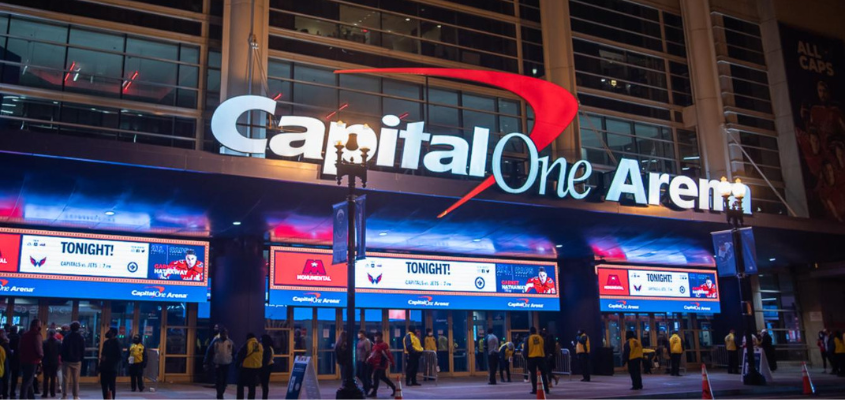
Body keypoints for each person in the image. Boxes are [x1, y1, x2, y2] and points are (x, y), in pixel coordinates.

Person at [204, 327, 234, 399]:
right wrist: (206, 362)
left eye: (225, 333)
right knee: (219, 379)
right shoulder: (215, 342)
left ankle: (221, 391)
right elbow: (209, 352)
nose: (224, 335)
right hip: (218, 363)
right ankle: (219, 394)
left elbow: (234, 352)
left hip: (227, 363)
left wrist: (235, 360)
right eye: (222, 333)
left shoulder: (230, 342)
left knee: (225, 380)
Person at [19, 319, 43, 399]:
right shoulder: (36, 335)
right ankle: (23, 397)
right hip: (33, 360)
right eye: (40, 324)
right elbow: (38, 348)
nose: (41, 325)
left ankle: (31, 397)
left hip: (23, 359)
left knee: (28, 379)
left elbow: (20, 347)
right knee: (27, 381)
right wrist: (41, 356)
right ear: (37, 325)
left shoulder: (25, 335)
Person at [367, 332, 395, 398]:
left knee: (376, 377)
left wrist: (392, 362)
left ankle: (374, 392)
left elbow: (388, 354)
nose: (376, 338)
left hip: (381, 364)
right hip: (376, 364)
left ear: (380, 337)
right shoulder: (375, 345)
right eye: (375, 336)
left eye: (377, 336)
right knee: (383, 377)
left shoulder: (384, 345)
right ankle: (394, 387)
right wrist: (369, 360)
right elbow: (373, 354)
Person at [60, 322, 84, 400]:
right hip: (77, 361)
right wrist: (81, 358)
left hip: (67, 360)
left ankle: (64, 396)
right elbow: (82, 349)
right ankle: (75, 396)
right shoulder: (80, 337)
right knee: (76, 380)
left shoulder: (67, 337)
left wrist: (63, 358)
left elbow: (63, 348)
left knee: (65, 379)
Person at [236, 333, 262, 399]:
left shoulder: (247, 344)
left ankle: (240, 398)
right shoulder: (259, 345)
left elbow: (240, 354)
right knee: (252, 386)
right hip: (256, 368)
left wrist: (237, 364)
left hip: (246, 367)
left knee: (240, 384)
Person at [99, 327, 120, 400]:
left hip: (112, 368)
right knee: (104, 384)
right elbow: (103, 354)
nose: (108, 332)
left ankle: (112, 397)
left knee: (112, 385)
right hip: (104, 368)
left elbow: (119, 356)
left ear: (113, 333)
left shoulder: (117, 343)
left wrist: (108, 359)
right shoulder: (106, 343)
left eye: (110, 331)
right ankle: (105, 398)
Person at [526, 327, 549, 396]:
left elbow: (526, 349)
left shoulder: (528, 339)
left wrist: (526, 358)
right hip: (541, 357)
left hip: (531, 357)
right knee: (543, 374)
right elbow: (545, 348)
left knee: (533, 374)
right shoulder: (541, 338)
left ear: (530, 332)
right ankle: (546, 389)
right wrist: (545, 357)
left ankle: (535, 389)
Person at [41, 330, 61, 398]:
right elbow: (60, 352)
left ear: (48, 334)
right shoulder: (58, 342)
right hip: (55, 362)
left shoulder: (44, 342)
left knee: (46, 378)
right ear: (55, 334)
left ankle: (45, 393)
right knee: (53, 378)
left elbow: (42, 352)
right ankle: (52, 393)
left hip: (46, 362)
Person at [259, 335, 274, 400]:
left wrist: (261, 366)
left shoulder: (267, 349)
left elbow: (266, 360)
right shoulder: (270, 348)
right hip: (268, 367)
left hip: (266, 368)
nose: (260, 342)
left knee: (264, 384)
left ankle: (264, 398)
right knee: (265, 384)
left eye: (261, 340)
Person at [7, 325, 19, 399]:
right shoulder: (19, 337)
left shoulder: (7, 337)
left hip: (7, 359)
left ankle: (4, 392)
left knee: (6, 376)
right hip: (16, 359)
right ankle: (12, 392)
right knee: (14, 377)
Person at [0, 329, 10, 400]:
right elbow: (8, 355)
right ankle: (4, 394)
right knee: (5, 379)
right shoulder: (5, 344)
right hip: (3, 364)